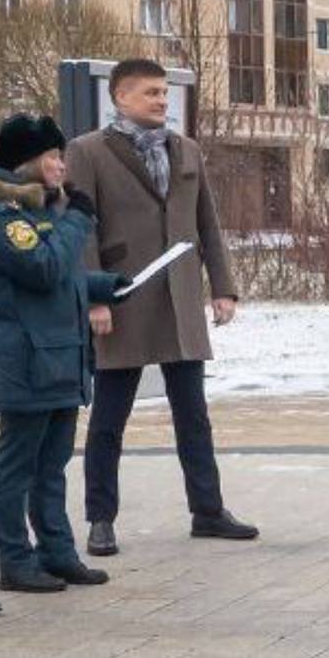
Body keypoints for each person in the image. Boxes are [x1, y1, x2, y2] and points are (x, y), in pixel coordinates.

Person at [68, 58, 255, 549]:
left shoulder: (185, 149)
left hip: (180, 298)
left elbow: (206, 222)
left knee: (193, 415)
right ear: (121, 97)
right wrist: (94, 297)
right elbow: (81, 229)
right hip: (122, 298)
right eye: (150, 92)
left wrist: (223, 287)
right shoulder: (87, 151)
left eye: (164, 92)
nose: (161, 100)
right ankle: (100, 519)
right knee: (110, 419)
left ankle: (208, 510)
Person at [0, 115, 124, 594]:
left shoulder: (41, 211)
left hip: (60, 355)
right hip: (26, 359)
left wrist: (106, 286)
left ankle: (57, 552)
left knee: (52, 466)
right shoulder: (1, 216)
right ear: (27, 162)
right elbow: (42, 268)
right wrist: (78, 217)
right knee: (17, 466)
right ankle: (15, 561)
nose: (62, 165)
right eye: (53, 157)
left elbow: (61, 276)